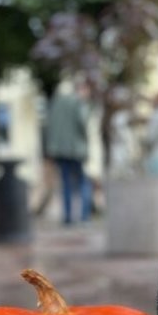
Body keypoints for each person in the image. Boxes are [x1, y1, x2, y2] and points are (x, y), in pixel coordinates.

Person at [45, 80, 92, 225]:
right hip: (76, 149)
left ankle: (67, 218)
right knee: (83, 182)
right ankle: (84, 217)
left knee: (65, 183)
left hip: (60, 149)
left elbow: (49, 125)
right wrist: (86, 141)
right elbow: (82, 122)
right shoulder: (78, 102)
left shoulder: (55, 103)